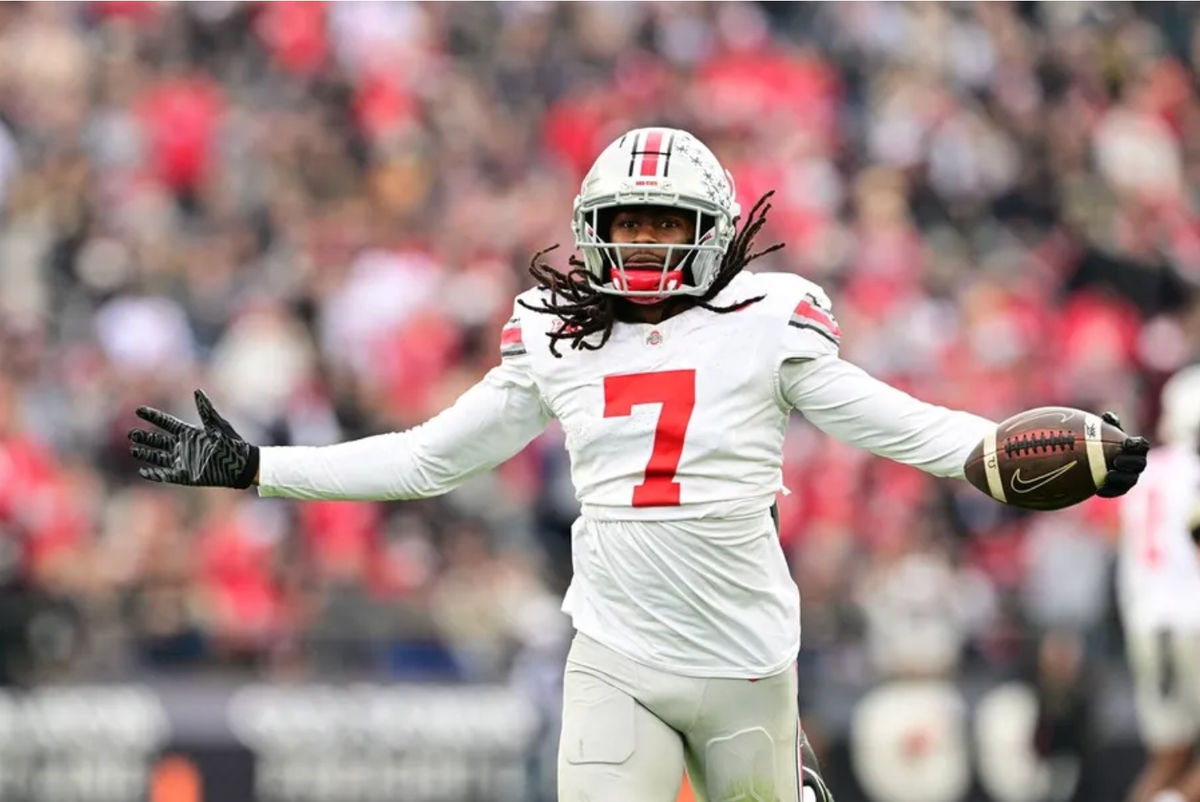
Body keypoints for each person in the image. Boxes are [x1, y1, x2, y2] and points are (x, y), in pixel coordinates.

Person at [128, 127, 1148, 802]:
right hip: (616, 653)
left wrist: (1016, 453)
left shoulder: (767, 321)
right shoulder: (555, 336)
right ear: (592, 232)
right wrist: (258, 467)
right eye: (630, 223)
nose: (648, 243)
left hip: (747, 660)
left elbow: (909, 427)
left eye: (667, 223)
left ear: (712, 232)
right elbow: (429, 459)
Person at [1118, 365, 1200, 802]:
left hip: (1148, 622)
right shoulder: (1194, 472)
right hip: (1193, 617)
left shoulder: (1143, 472)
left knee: (1168, 758)